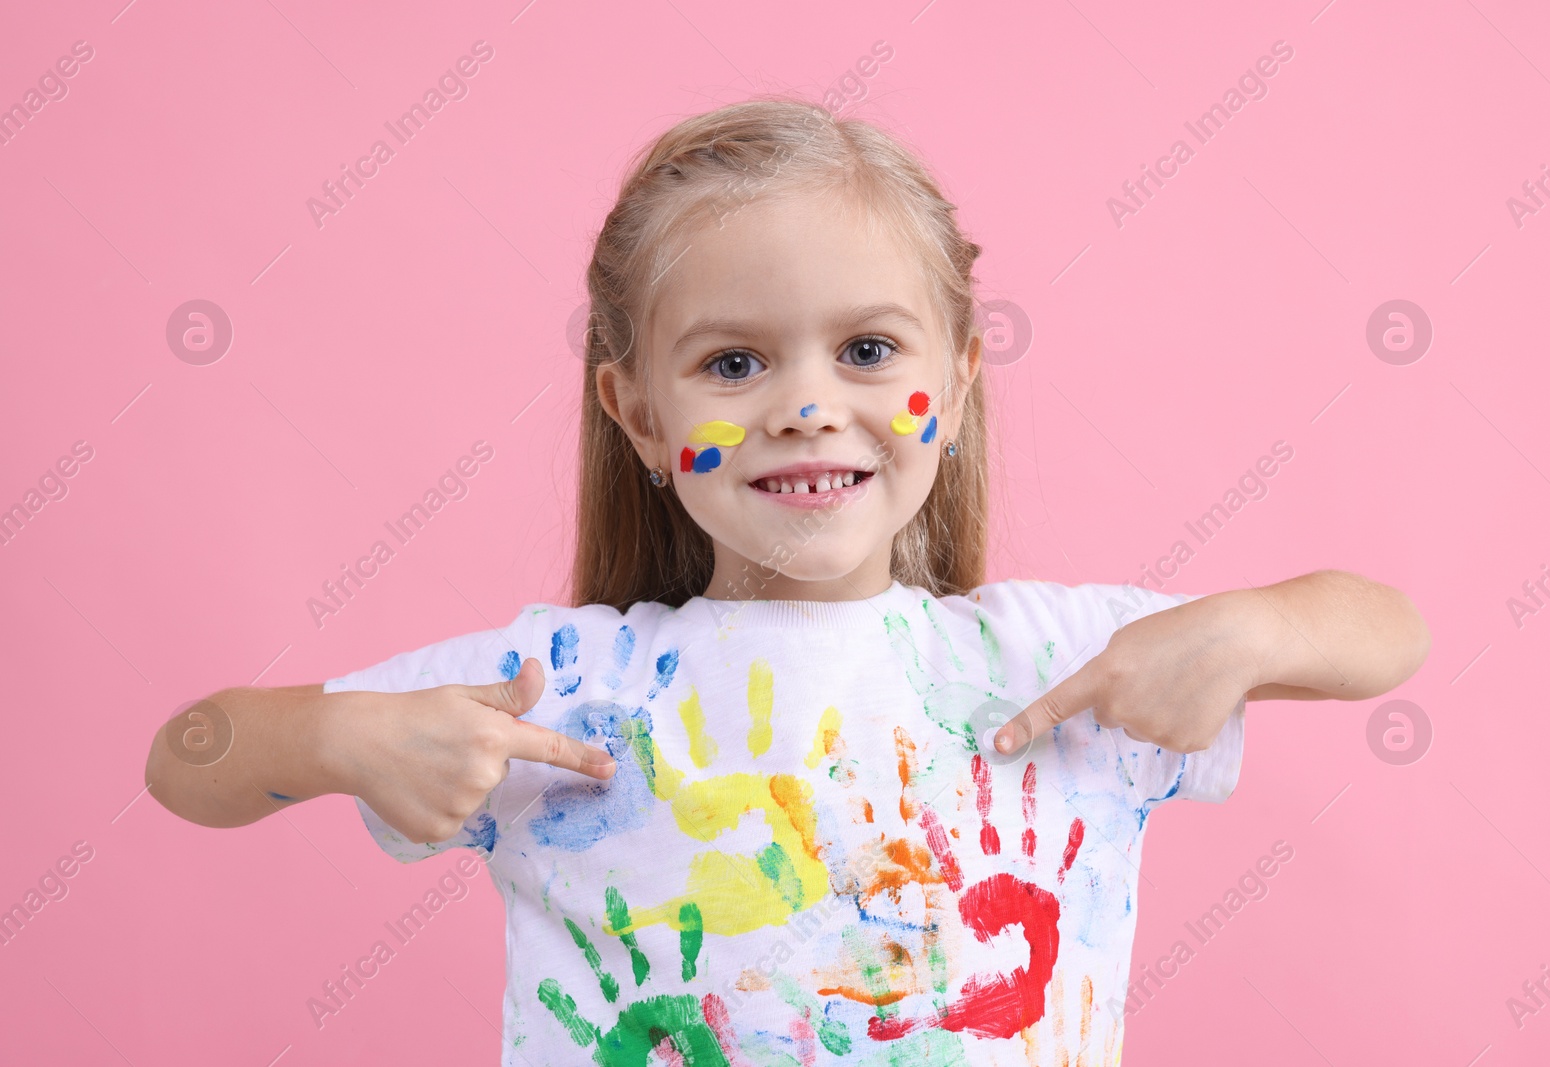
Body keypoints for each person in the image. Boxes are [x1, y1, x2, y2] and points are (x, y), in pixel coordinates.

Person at [146, 96, 1430, 1065]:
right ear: (639, 414)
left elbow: (1388, 628)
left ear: (962, 378)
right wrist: (331, 736)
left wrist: (1250, 632)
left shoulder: (1056, 661)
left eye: (868, 348)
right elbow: (185, 757)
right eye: (734, 364)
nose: (809, 406)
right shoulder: (557, 689)